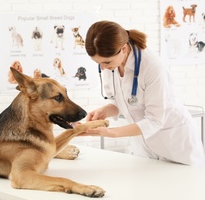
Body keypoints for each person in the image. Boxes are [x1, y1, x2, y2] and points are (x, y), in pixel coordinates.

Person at [83, 20, 205, 166]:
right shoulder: (112, 66)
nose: (103, 68)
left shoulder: (152, 67)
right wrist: (105, 110)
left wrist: (112, 133)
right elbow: (120, 101)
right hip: (144, 147)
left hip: (175, 145)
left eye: (107, 62)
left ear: (123, 49)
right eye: (99, 63)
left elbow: (155, 120)